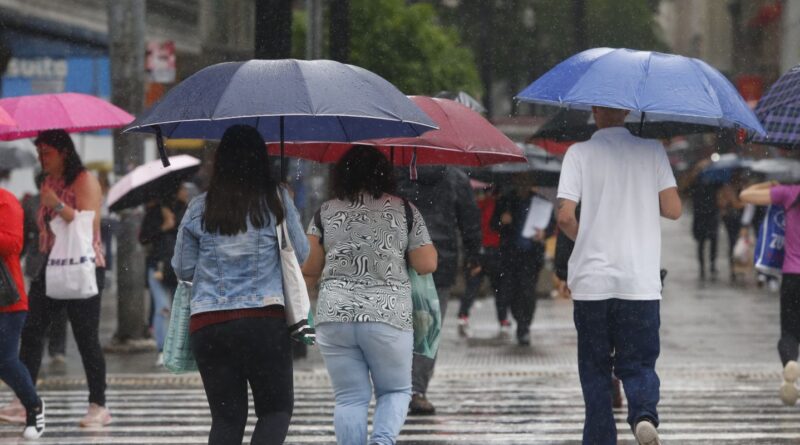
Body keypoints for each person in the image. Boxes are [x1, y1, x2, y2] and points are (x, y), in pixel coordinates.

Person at [172, 125, 308, 445]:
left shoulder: (199, 206)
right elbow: (299, 253)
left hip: (209, 324)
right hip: (264, 322)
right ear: (261, 160)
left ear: (221, 161)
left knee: (227, 418)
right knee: (275, 410)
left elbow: (183, 266)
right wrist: (286, 205)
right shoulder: (276, 200)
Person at [557, 106, 681, 445]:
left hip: (592, 284)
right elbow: (673, 209)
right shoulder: (652, 150)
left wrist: (588, 235)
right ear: (627, 110)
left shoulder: (578, 153)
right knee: (639, 363)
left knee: (596, 370)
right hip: (639, 282)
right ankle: (643, 414)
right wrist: (637, 194)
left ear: (594, 110)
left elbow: (565, 216)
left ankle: (599, 439)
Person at [303, 145, 437, 444]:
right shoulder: (403, 209)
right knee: (396, 391)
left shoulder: (325, 212)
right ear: (385, 173)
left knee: (350, 398)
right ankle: (382, 441)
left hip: (334, 315)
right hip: (387, 315)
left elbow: (310, 267)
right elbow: (426, 263)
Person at [2, 130, 111, 427]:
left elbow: (90, 224)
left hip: (83, 266)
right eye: (38, 153)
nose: (41, 159)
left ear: (63, 152)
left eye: (46, 153)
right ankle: (24, 400)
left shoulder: (84, 180)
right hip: (50, 266)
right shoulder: (49, 181)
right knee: (33, 332)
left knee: (85, 336)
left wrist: (58, 205)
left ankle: (98, 404)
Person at [396, 165, 480, 415]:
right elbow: (469, 219)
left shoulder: (396, 172)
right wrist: (474, 254)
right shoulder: (456, 177)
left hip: (399, 256)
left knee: (396, 325)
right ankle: (416, 389)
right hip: (439, 260)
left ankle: (395, 386)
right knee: (427, 329)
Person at [740, 180, 800, 406]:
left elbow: (745, 194)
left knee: (790, 333)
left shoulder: (789, 193)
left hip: (793, 276)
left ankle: (789, 364)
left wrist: (768, 184)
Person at [0, 187, 46, 439]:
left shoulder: (6, 202)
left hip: (7, 300)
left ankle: (33, 406)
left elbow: (13, 243)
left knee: (5, 360)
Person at [492, 176, 555, 346]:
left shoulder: (541, 202)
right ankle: (519, 318)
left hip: (531, 256)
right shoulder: (506, 201)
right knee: (510, 292)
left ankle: (524, 325)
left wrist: (544, 233)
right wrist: (502, 221)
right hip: (509, 255)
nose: (523, 184)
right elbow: (494, 224)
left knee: (527, 292)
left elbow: (551, 226)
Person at [20, 171, 68, 365]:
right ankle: (35, 353)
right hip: (38, 263)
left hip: (60, 259)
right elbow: (24, 234)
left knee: (60, 310)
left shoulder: (64, 202)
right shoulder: (31, 203)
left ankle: (57, 349)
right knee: (36, 312)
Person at [457, 185, 503, 338]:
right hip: (490, 250)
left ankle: (463, 316)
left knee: (473, 287)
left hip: (479, 251)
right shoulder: (493, 205)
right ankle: (502, 319)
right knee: (496, 288)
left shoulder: (473, 207)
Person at [139, 197, 177, 367]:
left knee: (181, 309)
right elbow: (144, 238)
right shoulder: (153, 213)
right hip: (158, 267)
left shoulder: (183, 210)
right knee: (162, 307)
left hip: (178, 267)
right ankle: (163, 350)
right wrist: (163, 227)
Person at [718, 173, 746, 282]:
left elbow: (742, 205)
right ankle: (733, 268)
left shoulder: (743, 189)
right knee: (732, 243)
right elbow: (721, 203)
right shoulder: (726, 189)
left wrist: (735, 200)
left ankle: (740, 268)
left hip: (740, 220)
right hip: (730, 220)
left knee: (741, 244)